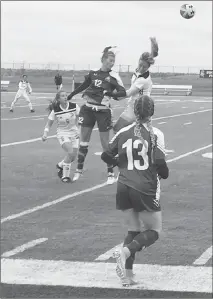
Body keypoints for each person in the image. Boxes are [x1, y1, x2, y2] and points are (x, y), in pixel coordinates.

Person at [101, 95, 169, 286]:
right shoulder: (156, 134)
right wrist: (164, 173)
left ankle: (127, 275)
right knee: (154, 230)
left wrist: (120, 164)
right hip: (145, 187)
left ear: (135, 111)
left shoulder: (123, 131)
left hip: (123, 185)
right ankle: (125, 252)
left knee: (133, 229)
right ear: (152, 111)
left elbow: (106, 155)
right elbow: (161, 165)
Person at [67, 46, 126, 184]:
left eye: (113, 61)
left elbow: (122, 92)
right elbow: (84, 85)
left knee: (105, 144)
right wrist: (72, 94)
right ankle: (78, 170)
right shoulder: (93, 73)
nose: (112, 63)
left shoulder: (114, 76)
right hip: (88, 109)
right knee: (83, 141)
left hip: (103, 111)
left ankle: (110, 173)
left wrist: (110, 94)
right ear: (104, 59)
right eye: (110, 60)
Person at [113, 37, 159, 133]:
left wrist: (113, 96)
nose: (141, 68)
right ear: (138, 60)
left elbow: (129, 93)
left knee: (118, 128)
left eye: (145, 67)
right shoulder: (138, 71)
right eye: (140, 64)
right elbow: (151, 56)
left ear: (148, 67)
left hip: (140, 108)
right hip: (134, 105)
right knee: (131, 132)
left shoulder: (143, 79)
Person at [42, 90, 80, 183]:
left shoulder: (74, 106)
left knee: (73, 157)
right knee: (70, 152)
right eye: (63, 96)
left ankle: (60, 165)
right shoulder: (55, 110)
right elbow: (49, 124)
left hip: (74, 133)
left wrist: (78, 129)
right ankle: (65, 177)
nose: (65, 97)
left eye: (66, 95)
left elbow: (80, 118)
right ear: (58, 99)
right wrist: (45, 133)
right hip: (62, 133)